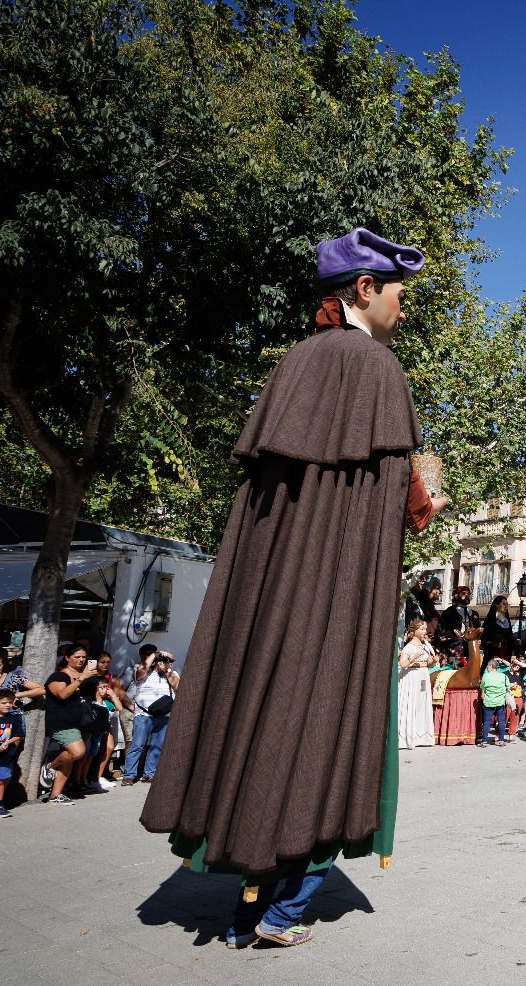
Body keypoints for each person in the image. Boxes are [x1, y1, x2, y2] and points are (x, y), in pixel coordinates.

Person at [141, 228, 448, 948]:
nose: (405, 311)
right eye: (400, 296)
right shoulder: (375, 370)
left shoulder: (296, 366)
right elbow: (381, 504)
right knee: (329, 735)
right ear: (366, 290)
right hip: (336, 601)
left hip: (273, 598)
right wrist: (421, 500)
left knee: (262, 713)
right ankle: (277, 913)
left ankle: (249, 903)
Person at [41, 643, 97, 804]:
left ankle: (55, 795)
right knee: (77, 752)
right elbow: (62, 694)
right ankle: (50, 767)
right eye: (76, 657)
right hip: (62, 722)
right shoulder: (58, 676)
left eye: (83, 657)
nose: (81, 660)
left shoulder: (87, 676)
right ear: (67, 658)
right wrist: (80, 679)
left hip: (81, 722)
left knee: (71, 758)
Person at [121, 647, 178, 785]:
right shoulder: (145, 672)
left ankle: (149, 774)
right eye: (165, 660)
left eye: (171, 660)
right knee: (137, 745)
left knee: (157, 746)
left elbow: (178, 687)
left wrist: (168, 670)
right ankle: (129, 775)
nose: (168, 662)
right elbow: (141, 670)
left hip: (164, 715)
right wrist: (155, 654)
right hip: (144, 715)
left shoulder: (172, 673)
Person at [397, 620, 437, 749]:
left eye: (425, 629)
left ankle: (423, 736)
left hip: (423, 676)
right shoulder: (409, 647)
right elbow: (403, 664)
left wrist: (433, 660)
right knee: (413, 704)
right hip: (412, 677)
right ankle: (409, 737)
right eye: (421, 629)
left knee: (421, 704)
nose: (424, 631)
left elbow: (428, 662)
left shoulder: (425, 645)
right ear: (413, 632)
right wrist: (414, 656)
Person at [0, 689, 24, 817]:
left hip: (3, 757)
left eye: (10, 702)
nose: (8, 705)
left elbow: (18, 735)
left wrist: (7, 743)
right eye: (4, 703)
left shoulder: (13, 719)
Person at [477, 654, 511, 747]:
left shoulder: (486, 676)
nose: (487, 667)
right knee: (501, 721)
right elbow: (508, 687)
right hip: (500, 701)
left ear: (491, 666)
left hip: (489, 701)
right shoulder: (503, 676)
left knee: (487, 721)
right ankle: (501, 740)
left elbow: (482, 687)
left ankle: (484, 740)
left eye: (488, 666)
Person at [439, 586, 478, 656]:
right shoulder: (448, 612)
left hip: (471, 646)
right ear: (457, 596)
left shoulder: (474, 613)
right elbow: (443, 629)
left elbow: (477, 630)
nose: (467, 595)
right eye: (463, 593)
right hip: (454, 646)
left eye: (468, 593)